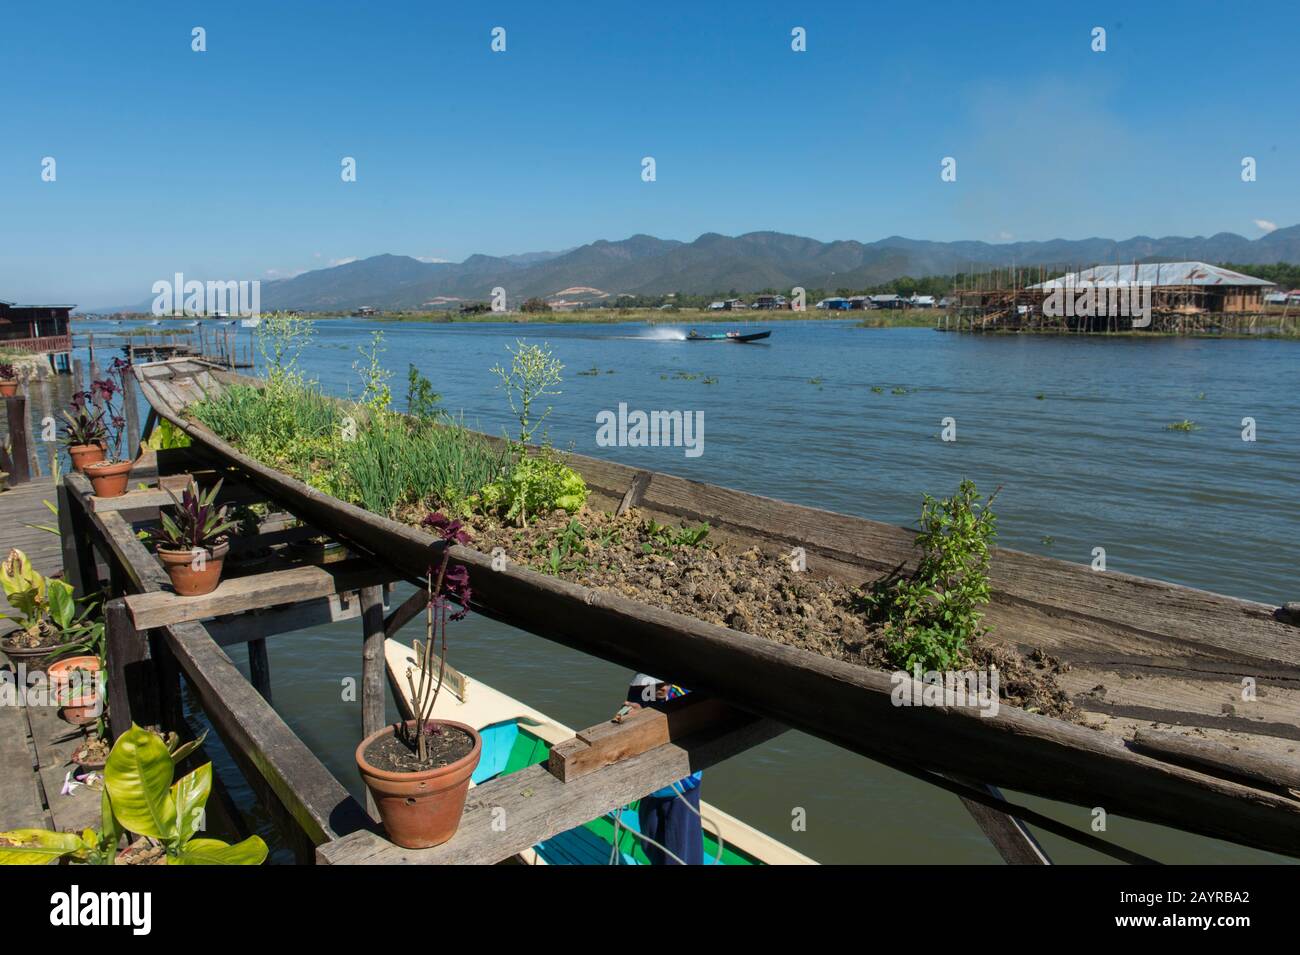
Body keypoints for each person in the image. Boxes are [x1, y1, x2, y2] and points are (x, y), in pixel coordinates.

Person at [617, 673, 703, 864]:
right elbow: (634, 709)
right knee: (650, 839)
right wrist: (632, 714)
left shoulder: (686, 695)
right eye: (657, 684)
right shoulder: (641, 689)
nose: (662, 688)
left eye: (666, 683)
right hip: (650, 785)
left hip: (680, 789)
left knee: (679, 853)